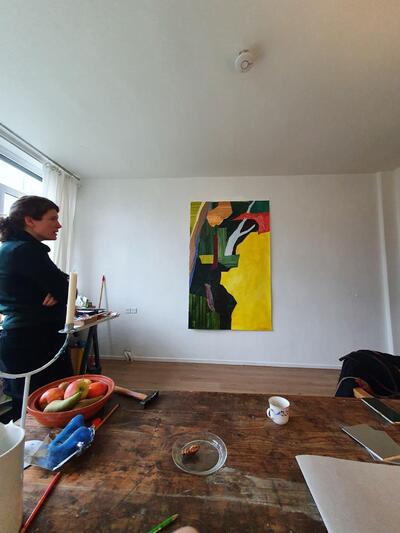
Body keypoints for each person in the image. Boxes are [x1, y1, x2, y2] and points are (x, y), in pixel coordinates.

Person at [0, 195, 73, 420]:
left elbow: (65, 287)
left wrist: (62, 288)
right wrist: (63, 289)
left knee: (25, 409)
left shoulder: (10, 248)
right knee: (47, 409)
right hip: (36, 343)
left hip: (19, 340)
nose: (59, 225)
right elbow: (68, 289)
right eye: (52, 218)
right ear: (30, 220)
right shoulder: (26, 251)